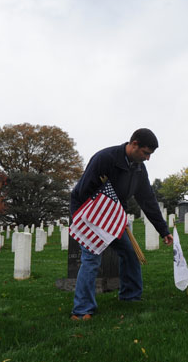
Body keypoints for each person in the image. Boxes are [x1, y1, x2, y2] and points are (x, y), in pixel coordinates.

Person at [69, 128, 173, 320]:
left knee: (130, 252)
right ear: (134, 144)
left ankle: (130, 296)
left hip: (114, 216)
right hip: (90, 213)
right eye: (146, 153)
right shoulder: (105, 158)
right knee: (91, 259)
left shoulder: (139, 168)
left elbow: (147, 200)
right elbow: (84, 191)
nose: (148, 158)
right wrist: (105, 215)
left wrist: (163, 230)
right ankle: (82, 309)